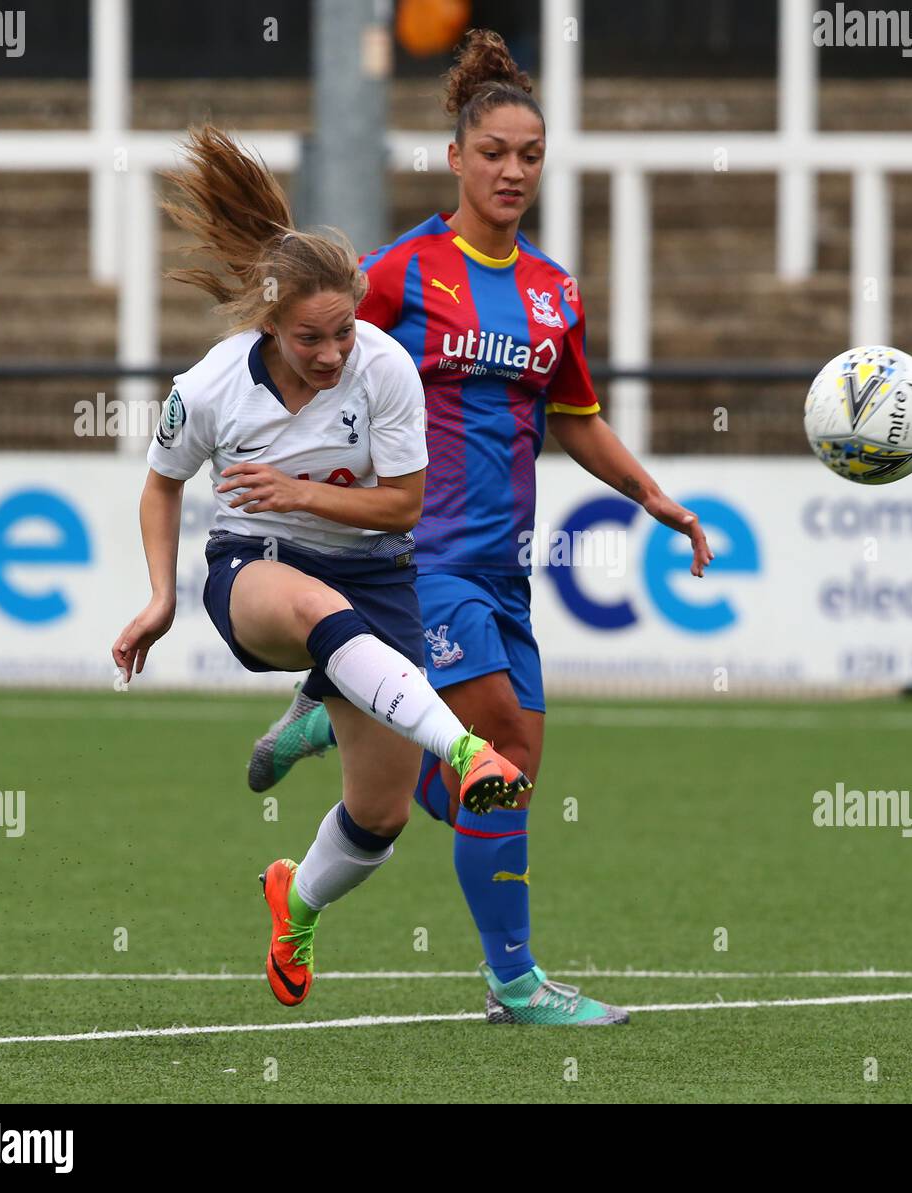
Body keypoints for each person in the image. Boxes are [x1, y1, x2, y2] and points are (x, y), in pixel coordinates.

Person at [249, 29, 713, 1026]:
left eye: (530, 154)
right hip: (421, 560)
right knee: (495, 740)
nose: (511, 170)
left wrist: (651, 496)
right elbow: (308, 354)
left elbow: (575, 416)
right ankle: (514, 982)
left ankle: (340, 739)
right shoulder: (397, 274)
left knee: (498, 784)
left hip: (505, 571)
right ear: (455, 157)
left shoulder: (553, 290)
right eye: (493, 151)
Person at [110, 125, 534, 1011]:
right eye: (312, 338)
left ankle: (293, 902)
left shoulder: (384, 369)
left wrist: (303, 495)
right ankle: (463, 748)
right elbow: (161, 487)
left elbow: (404, 506)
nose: (334, 351)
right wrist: (160, 595)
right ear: (269, 323)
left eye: (344, 329)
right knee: (309, 610)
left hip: (375, 572)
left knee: (378, 817)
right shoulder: (214, 384)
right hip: (255, 569)